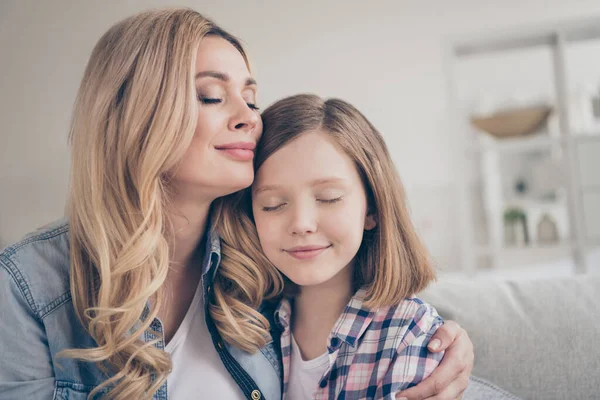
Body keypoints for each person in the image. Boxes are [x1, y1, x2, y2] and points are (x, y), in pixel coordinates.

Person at [0, 8, 472, 400]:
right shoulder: (28, 287)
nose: (249, 117)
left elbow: (363, 307)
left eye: (251, 98)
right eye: (211, 96)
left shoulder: (259, 267)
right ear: (136, 117)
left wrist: (451, 341)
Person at [213, 94, 445, 399]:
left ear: (372, 209)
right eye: (273, 204)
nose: (301, 223)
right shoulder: (245, 321)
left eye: (329, 198)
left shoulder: (410, 334)